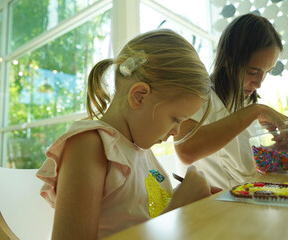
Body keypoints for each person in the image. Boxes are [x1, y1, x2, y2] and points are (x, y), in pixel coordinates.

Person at [36, 29, 218, 240]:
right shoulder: (91, 145)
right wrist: (178, 209)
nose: (176, 131)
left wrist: (186, 197)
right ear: (139, 97)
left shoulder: (141, 150)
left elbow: (138, 216)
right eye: (175, 119)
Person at [174, 13, 288, 189]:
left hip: (244, 203)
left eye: (267, 71)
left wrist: (277, 154)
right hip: (208, 210)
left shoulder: (245, 102)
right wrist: (256, 111)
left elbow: (243, 169)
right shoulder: (200, 95)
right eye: (253, 72)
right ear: (226, 58)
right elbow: (186, 150)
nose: (259, 83)